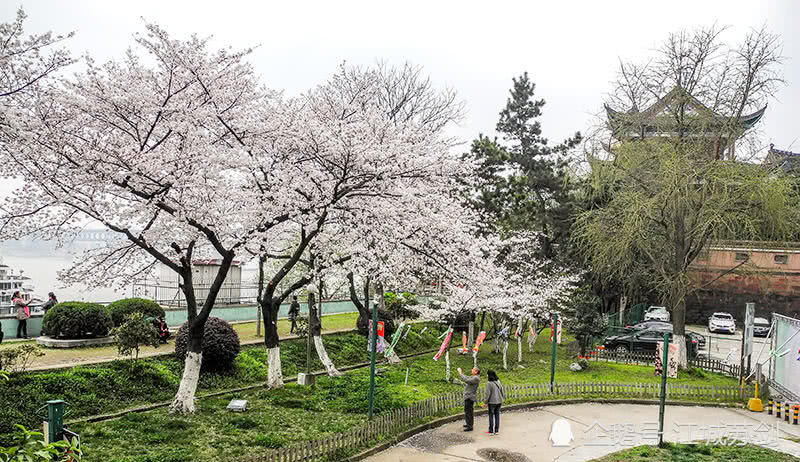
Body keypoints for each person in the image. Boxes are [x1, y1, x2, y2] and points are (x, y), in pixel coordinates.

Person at [481, 369, 505, 435]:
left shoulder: (489, 384)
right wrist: (503, 398)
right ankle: (496, 430)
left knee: (491, 416)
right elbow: (502, 391)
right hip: (499, 401)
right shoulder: (498, 382)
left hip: (492, 402)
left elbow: (487, 394)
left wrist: (485, 402)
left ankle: (491, 431)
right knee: (497, 416)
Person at [456, 366, 480, 432]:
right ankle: (468, 424)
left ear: (476, 371)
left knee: (469, 412)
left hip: (470, 397)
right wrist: (461, 374)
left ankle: (470, 426)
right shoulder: (474, 377)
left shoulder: (476, 378)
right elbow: (467, 377)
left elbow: (466, 380)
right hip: (468, 396)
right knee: (467, 411)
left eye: (473, 369)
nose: (471, 370)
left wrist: (460, 373)